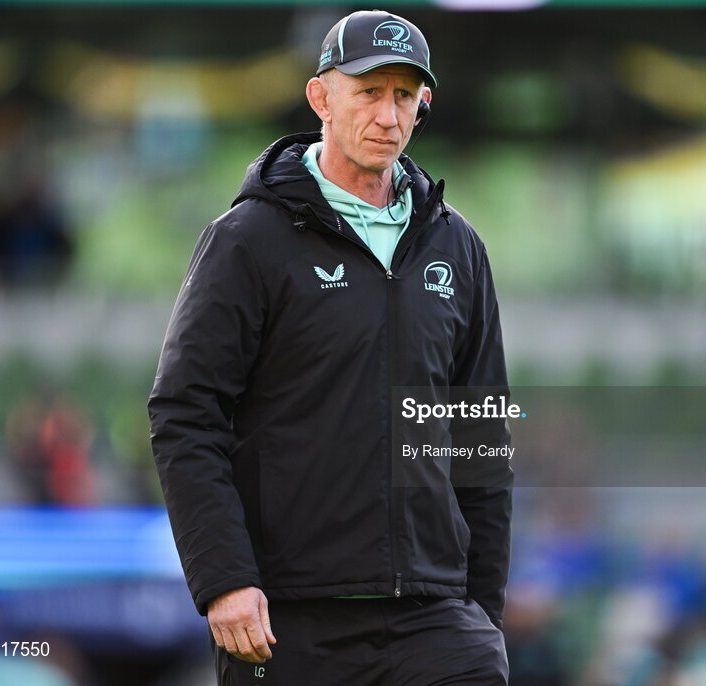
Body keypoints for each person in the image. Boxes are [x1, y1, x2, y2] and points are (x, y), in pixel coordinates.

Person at [148, 9, 513, 685]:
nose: (387, 115)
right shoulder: (248, 240)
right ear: (322, 97)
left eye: (404, 95)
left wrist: (484, 611)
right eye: (368, 91)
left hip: (435, 621)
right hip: (289, 619)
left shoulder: (458, 247)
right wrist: (225, 580)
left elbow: (480, 438)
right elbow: (184, 415)